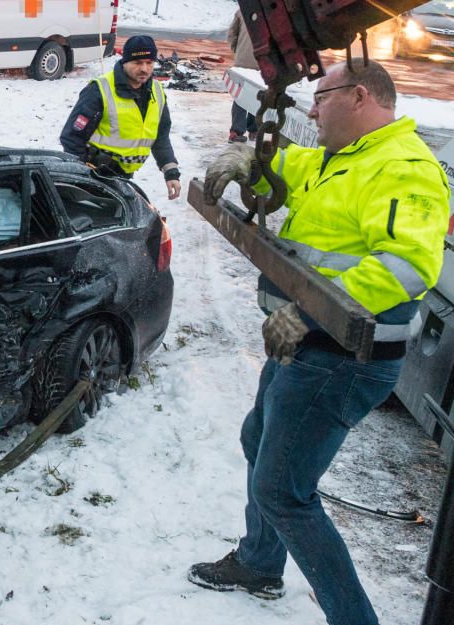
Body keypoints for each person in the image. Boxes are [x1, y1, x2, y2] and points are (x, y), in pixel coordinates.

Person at [194, 60, 449, 625]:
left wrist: (306, 315)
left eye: (320, 97)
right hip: (305, 344)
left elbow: (407, 266)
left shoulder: (405, 169)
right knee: (258, 439)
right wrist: (245, 161)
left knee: (285, 491)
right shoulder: (343, 159)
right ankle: (261, 563)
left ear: (358, 96)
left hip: (342, 358)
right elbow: (281, 165)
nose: (310, 110)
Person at [60, 35, 182, 200]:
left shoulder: (157, 92)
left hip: (124, 177)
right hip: (94, 177)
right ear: (125, 62)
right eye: (138, 63)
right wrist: (83, 176)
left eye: (149, 63)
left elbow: (160, 136)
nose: (145, 69)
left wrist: (170, 171)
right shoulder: (99, 90)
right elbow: (72, 138)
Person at [227, 10, 259, 143]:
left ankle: (236, 131)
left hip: (242, 61)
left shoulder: (243, 10)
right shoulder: (275, 10)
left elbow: (232, 33)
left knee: (240, 96)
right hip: (264, 61)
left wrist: (238, 50)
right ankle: (254, 130)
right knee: (259, 96)